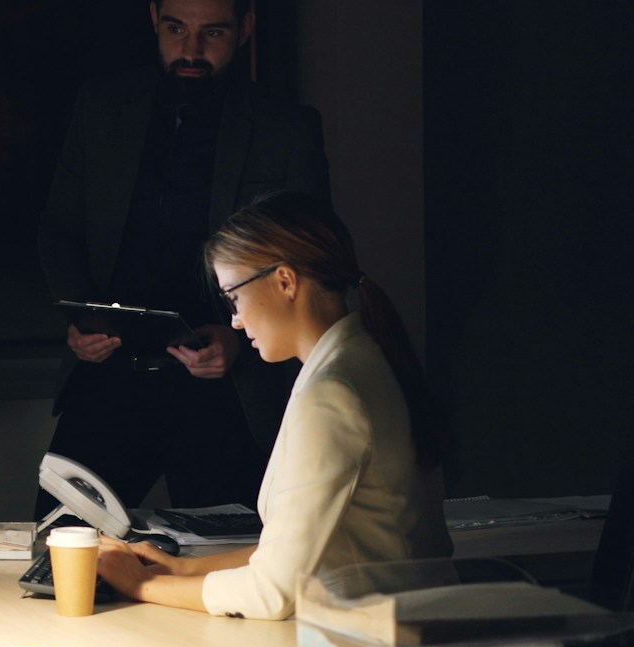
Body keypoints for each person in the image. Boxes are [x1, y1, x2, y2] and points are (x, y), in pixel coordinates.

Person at [36, 0, 329, 516]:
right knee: (55, 551)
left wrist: (241, 340)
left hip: (230, 390)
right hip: (111, 373)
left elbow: (312, 265)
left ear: (244, 29)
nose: (191, 49)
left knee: (233, 564)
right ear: (153, 20)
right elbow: (59, 230)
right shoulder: (103, 110)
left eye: (212, 32)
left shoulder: (284, 128)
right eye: (176, 29)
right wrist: (78, 321)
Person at [96, 191, 452, 619]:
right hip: (397, 624)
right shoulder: (366, 358)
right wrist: (182, 567)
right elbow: (289, 556)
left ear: (285, 281)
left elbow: (272, 593)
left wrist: (143, 584)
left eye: (234, 298)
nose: (235, 320)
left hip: (370, 641)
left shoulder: (332, 392)